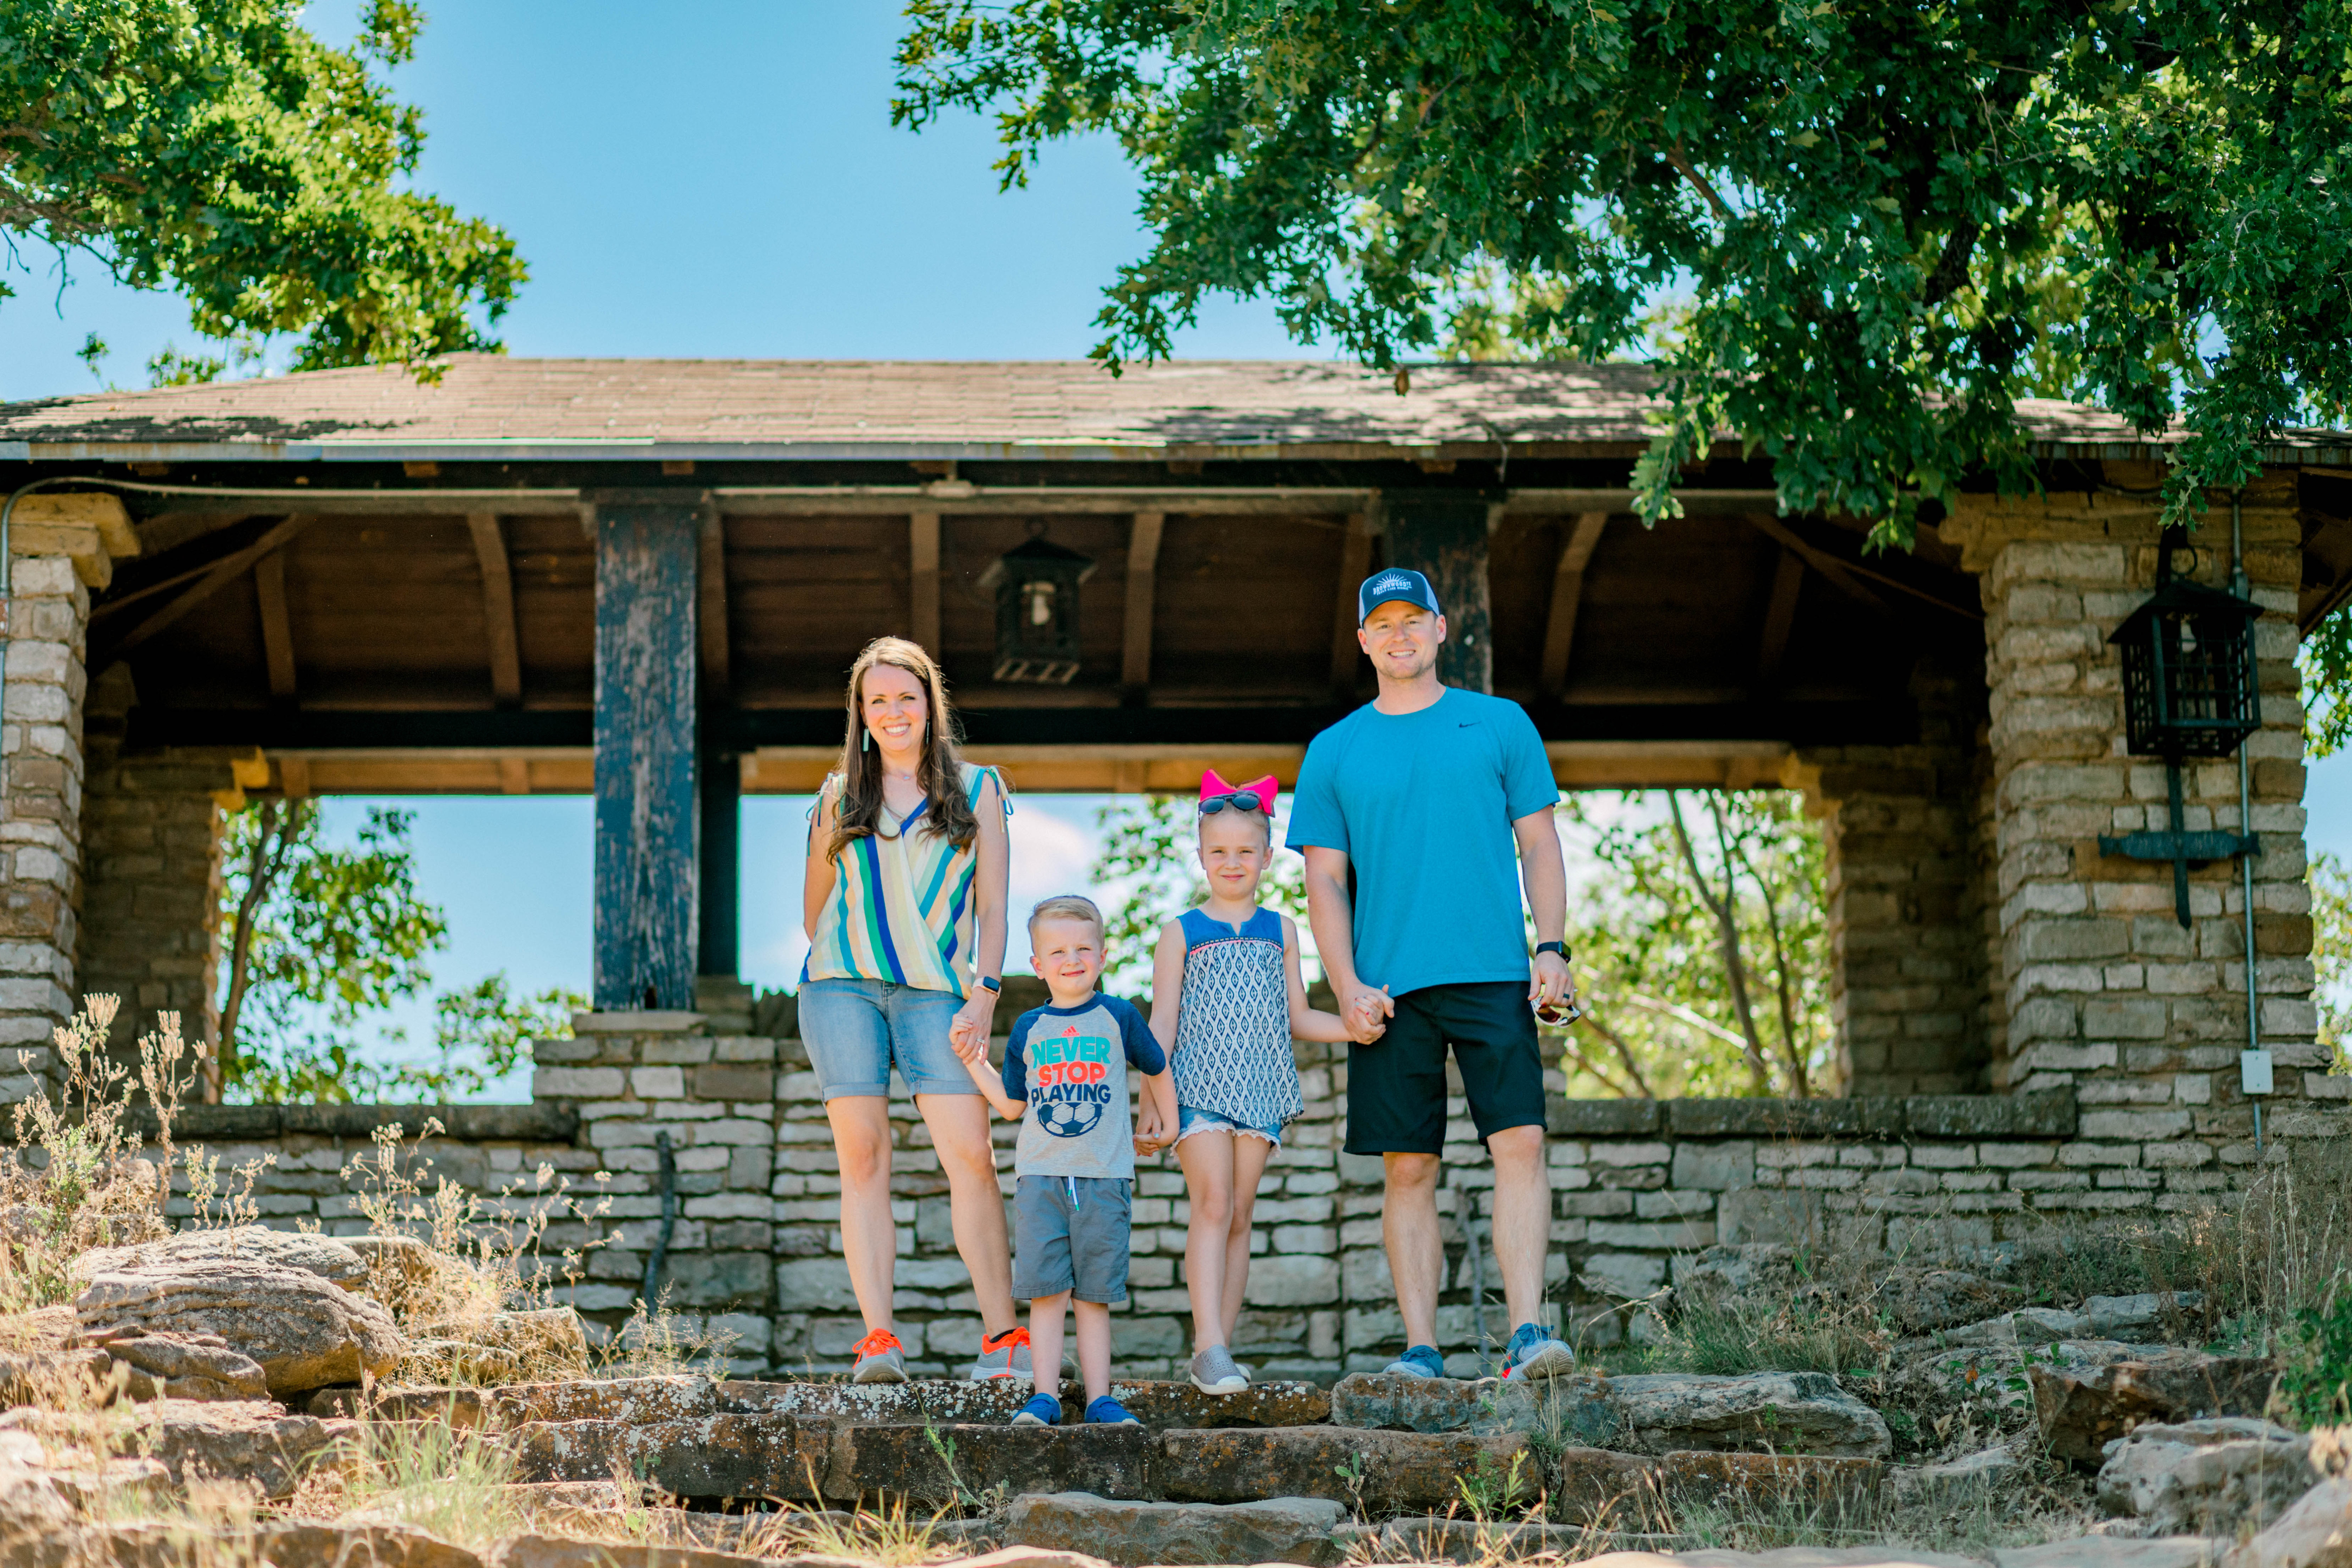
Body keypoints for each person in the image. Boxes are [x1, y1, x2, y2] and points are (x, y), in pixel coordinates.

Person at [1286, 567, 1582, 1382]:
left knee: (1518, 1141)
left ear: (1440, 628)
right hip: (1386, 985)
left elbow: (1540, 844)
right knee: (1407, 1165)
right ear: (1362, 642)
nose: (1398, 634)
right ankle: (1421, 1348)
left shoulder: (1498, 723)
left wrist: (1550, 948)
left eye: (1411, 619)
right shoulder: (1334, 748)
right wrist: (1343, 984)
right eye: (1381, 624)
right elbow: (1323, 880)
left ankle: (1527, 1337)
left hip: (1492, 972)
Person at [801, 636, 1025, 1385]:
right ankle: (879, 1340)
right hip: (841, 987)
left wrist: (984, 993)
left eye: (907, 696)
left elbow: (993, 910)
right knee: (862, 1158)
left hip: (940, 993)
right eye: (877, 701)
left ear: (930, 703)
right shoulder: (837, 795)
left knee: (971, 1158)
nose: (893, 712)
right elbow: (815, 913)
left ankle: (1001, 1338)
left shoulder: (980, 787)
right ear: (860, 716)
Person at [1143, 770, 1372, 1396]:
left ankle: (1221, 1344)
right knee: (1212, 1205)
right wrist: (1151, 1101)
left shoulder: (1281, 930)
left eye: (1246, 851)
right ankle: (1207, 1345)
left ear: (1268, 857)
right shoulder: (1181, 932)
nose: (1232, 862)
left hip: (1261, 1089)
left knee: (1240, 1216)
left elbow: (1298, 1016)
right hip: (1197, 1089)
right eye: (1218, 851)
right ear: (1200, 856)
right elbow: (1160, 1025)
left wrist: (1356, 1028)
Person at [956, 895, 1176, 1428]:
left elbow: (1156, 1065)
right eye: (1056, 951)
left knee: (1094, 1296)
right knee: (1047, 1292)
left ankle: (1101, 1398)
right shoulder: (1030, 1028)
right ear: (1037, 965)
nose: (1071, 959)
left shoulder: (1118, 1015)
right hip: (1040, 1178)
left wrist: (1168, 1125)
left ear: (1102, 956)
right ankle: (1045, 1396)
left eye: (1083, 948)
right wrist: (972, 1062)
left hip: (1104, 1177)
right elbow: (1011, 1105)